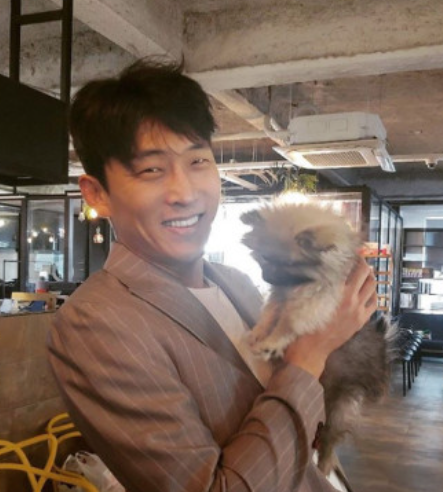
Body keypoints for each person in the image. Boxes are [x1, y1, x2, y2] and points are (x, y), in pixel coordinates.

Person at [47, 58, 377, 492]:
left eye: (198, 160)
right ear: (97, 194)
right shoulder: (95, 324)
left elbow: (298, 414)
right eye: (151, 169)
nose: (185, 193)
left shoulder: (232, 279)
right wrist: (312, 353)